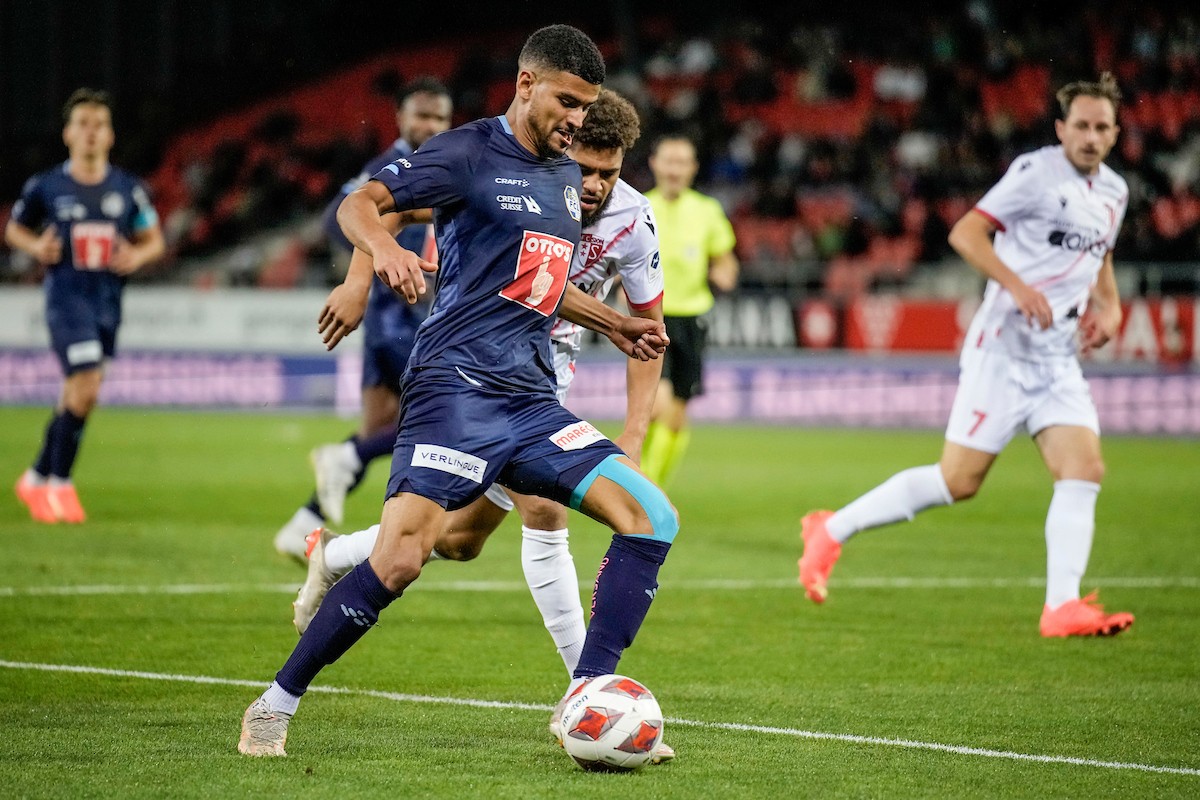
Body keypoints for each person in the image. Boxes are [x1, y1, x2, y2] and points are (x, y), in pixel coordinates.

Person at [238, 25, 677, 758]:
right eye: (568, 102)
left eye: (586, 107)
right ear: (527, 83)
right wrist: (380, 253)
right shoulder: (467, 152)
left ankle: (588, 695)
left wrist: (617, 324)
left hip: (531, 400)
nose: (576, 119)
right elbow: (360, 204)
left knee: (651, 517)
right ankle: (273, 705)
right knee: (403, 558)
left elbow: (536, 282)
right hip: (456, 388)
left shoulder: (563, 179)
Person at [798, 73, 1134, 639]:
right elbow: (967, 234)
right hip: (1003, 349)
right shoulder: (1035, 173)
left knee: (1084, 468)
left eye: (1102, 128)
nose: (1091, 137)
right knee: (958, 480)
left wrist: (1112, 307)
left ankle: (1062, 607)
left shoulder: (1115, 192)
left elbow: (1101, 256)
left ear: (1116, 133)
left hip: (1058, 358)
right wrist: (1017, 286)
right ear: (1061, 129)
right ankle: (831, 530)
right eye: (1081, 125)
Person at [273, 78, 453, 560]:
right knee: (443, 415)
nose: (431, 126)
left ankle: (302, 524)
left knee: (379, 426)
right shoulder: (386, 169)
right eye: (422, 116)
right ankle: (347, 460)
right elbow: (337, 218)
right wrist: (381, 256)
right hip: (397, 315)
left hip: (403, 315)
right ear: (400, 118)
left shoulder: (441, 167)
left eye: (439, 118)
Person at [8, 88, 165, 524]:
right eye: (83, 124)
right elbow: (14, 230)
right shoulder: (46, 186)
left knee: (77, 393)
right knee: (87, 385)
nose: (91, 132)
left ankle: (35, 476)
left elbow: (154, 240)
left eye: (99, 125)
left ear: (110, 135)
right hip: (66, 300)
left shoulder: (128, 189)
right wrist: (36, 246)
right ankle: (59, 485)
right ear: (68, 134)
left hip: (107, 304)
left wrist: (137, 255)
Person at [639, 134, 738, 488]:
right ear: (655, 164)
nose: (675, 169)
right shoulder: (640, 207)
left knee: (677, 415)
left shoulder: (707, 211)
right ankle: (644, 485)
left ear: (693, 168)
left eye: (682, 162)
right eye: (669, 161)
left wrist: (724, 273)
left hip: (693, 319)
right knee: (657, 406)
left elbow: (725, 260)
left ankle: (654, 486)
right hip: (651, 318)